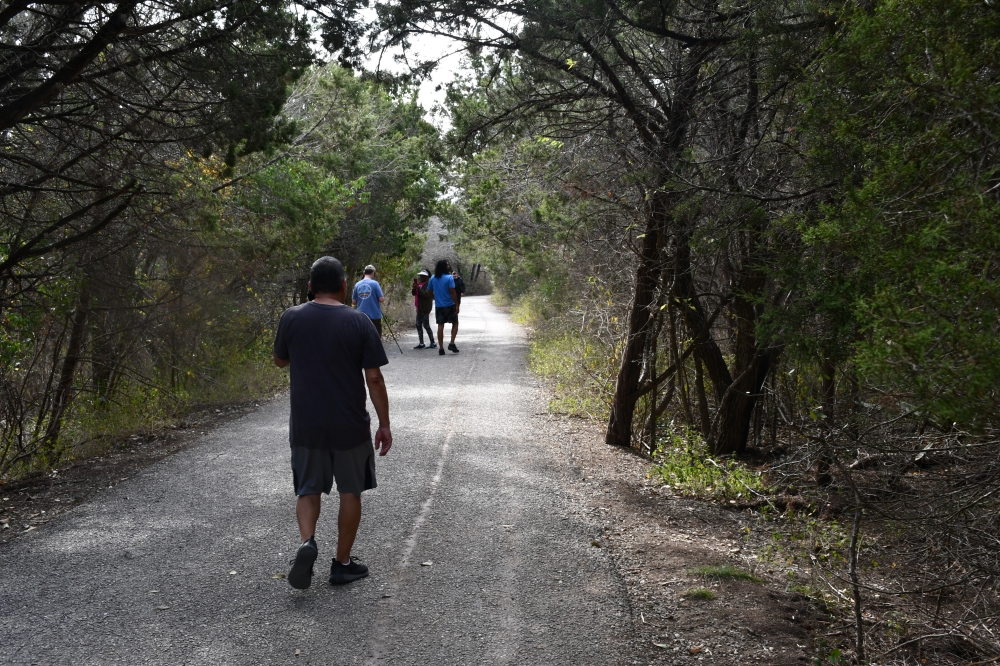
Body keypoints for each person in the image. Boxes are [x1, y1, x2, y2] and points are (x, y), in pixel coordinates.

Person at [273, 256, 393, 589]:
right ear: (344, 286)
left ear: (310, 286)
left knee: (308, 488)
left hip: (306, 425)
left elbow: (280, 360)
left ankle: (308, 542)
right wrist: (384, 423)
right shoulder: (359, 322)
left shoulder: (292, 317)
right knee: (350, 491)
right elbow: (374, 378)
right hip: (349, 425)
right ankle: (341, 564)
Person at [427, 259, 459, 356]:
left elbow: (429, 292)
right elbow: (452, 292)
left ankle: (441, 348)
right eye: (447, 265)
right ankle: (452, 343)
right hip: (449, 305)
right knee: (455, 323)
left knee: (440, 326)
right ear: (444, 267)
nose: (449, 266)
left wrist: (435, 298)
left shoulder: (433, 278)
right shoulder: (449, 278)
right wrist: (457, 304)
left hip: (439, 306)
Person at [351, 264, 385, 335]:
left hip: (361, 316)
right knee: (376, 337)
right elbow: (381, 299)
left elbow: (353, 302)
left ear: (364, 273)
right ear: (373, 273)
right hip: (374, 316)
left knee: (363, 337)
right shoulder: (375, 284)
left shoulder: (357, 284)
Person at [411, 269, 436, 349]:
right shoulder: (420, 284)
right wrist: (414, 288)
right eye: (420, 275)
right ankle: (421, 343)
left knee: (426, 325)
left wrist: (418, 288)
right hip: (419, 307)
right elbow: (414, 293)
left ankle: (433, 342)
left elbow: (426, 294)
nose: (421, 277)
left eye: (423, 276)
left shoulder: (429, 284)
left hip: (425, 308)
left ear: (427, 276)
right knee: (418, 324)